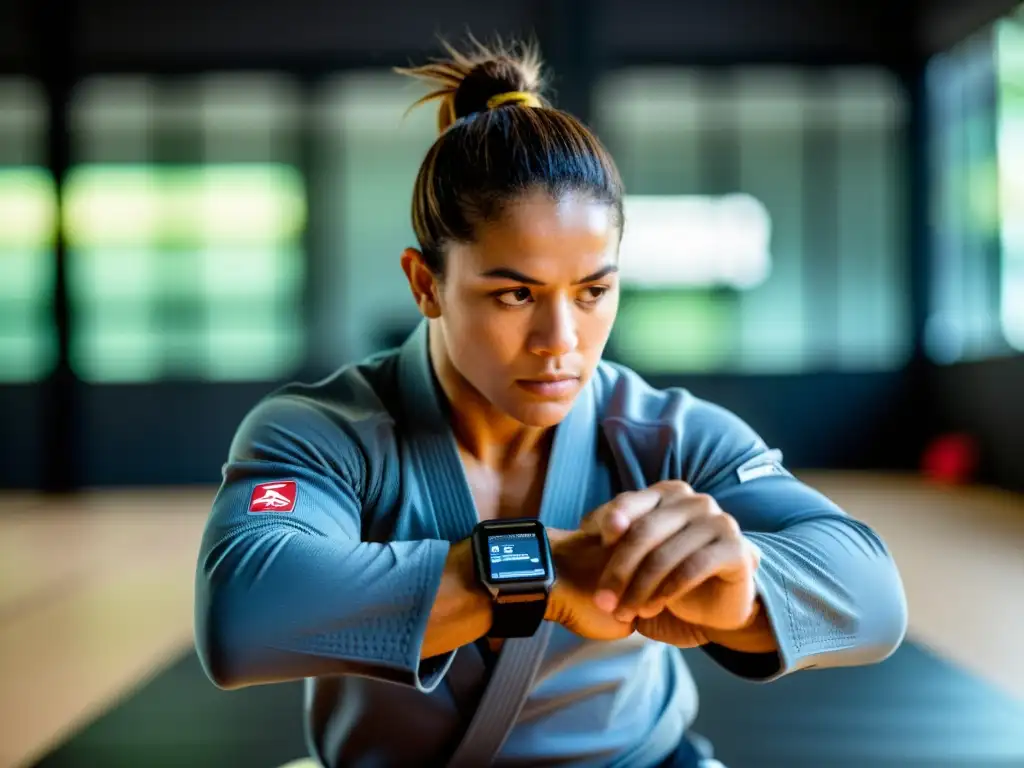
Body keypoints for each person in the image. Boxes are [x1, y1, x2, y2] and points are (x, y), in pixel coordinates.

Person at [193, 38, 908, 768]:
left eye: (594, 292)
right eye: (515, 294)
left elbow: (872, 595)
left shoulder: (664, 435)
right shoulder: (322, 434)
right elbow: (245, 611)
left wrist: (744, 591)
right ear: (425, 283)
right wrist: (547, 570)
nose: (560, 340)